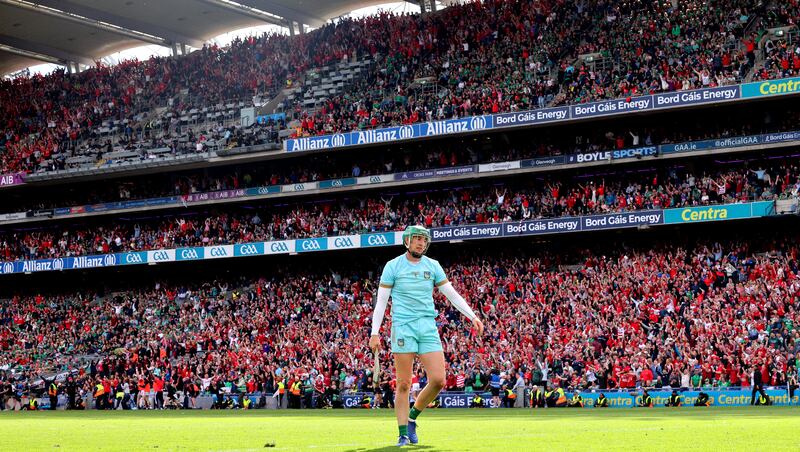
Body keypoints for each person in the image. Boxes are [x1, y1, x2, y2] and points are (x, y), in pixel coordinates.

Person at [369, 225, 484, 447]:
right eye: (417, 239)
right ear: (407, 241)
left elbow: (451, 294)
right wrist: (374, 333)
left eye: (424, 240)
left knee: (439, 380)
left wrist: (472, 316)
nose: (421, 243)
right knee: (403, 384)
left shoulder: (433, 266)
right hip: (402, 327)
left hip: (427, 327)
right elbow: (381, 301)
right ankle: (402, 433)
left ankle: (412, 417)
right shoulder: (393, 266)